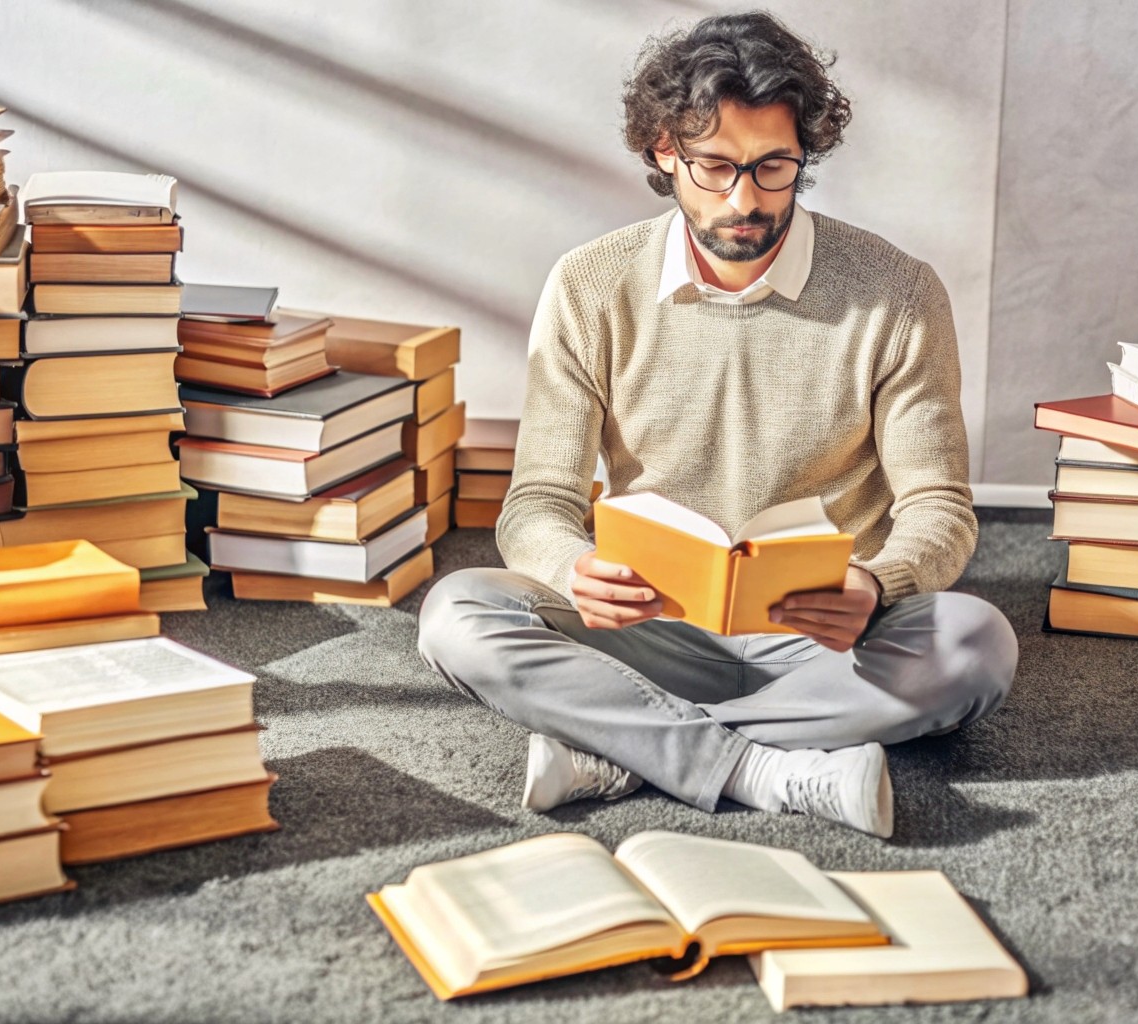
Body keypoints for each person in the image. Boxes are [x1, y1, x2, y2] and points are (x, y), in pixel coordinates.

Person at [417, 10, 1017, 838]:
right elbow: (537, 503)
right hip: (646, 631)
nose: (747, 199)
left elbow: (940, 510)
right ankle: (766, 770)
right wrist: (574, 565)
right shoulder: (590, 286)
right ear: (664, 151)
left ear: (806, 151)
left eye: (775, 167)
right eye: (715, 167)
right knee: (458, 614)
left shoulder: (897, 293)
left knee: (977, 644)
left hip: (829, 640)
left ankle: (625, 748)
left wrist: (877, 585)